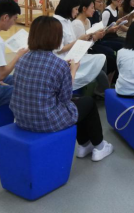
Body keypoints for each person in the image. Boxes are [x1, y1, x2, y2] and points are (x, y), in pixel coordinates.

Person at [10, 16, 113, 162]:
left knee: (79, 103)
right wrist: (73, 70)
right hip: (46, 121)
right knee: (87, 103)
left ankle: (85, 145)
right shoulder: (58, 64)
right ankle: (99, 146)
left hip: (21, 118)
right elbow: (66, 99)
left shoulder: (21, 60)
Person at [54, 0, 107, 91]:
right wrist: (80, 40)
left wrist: (88, 38)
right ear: (68, 8)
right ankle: (99, 92)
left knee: (102, 58)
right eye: (75, 9)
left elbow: (73, 42)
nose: (77, 12)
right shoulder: (57, 23)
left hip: (74, 55)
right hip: (65, 60)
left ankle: (99, 91)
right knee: (100, 72)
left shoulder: (68, 21)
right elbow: (59, 50)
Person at [72, 0, 117, 88]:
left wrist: (95, 36)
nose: (94, 10)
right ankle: (103, 90)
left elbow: (88, 41)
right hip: (79, 57)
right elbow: (79, 46)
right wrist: (95, 37)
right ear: (84, 9)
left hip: (86, 53)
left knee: (103, 58)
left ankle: (102, 89)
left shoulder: (87, 21)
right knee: (101, 70)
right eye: (92, 8)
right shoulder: (77, 24)